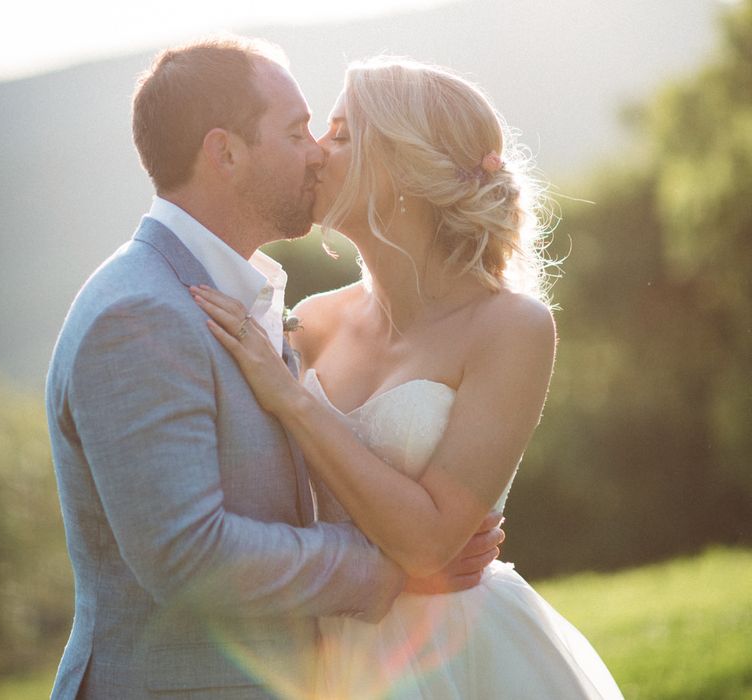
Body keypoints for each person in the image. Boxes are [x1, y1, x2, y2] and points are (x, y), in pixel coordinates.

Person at [45, 39, 503, 700]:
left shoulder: (237, 293)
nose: (318, 151)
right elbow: (191, 557)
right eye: (295, 132)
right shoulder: (140, 315)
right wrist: (393, 572)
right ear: (225, 152)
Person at [194, 56, 625, 698]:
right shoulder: (307, 323)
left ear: (400, 169)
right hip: (329, 652)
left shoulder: (513, 328)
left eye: (340, 134)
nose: (313, 152)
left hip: (463, 652)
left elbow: (429, 543)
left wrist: (291, 400)